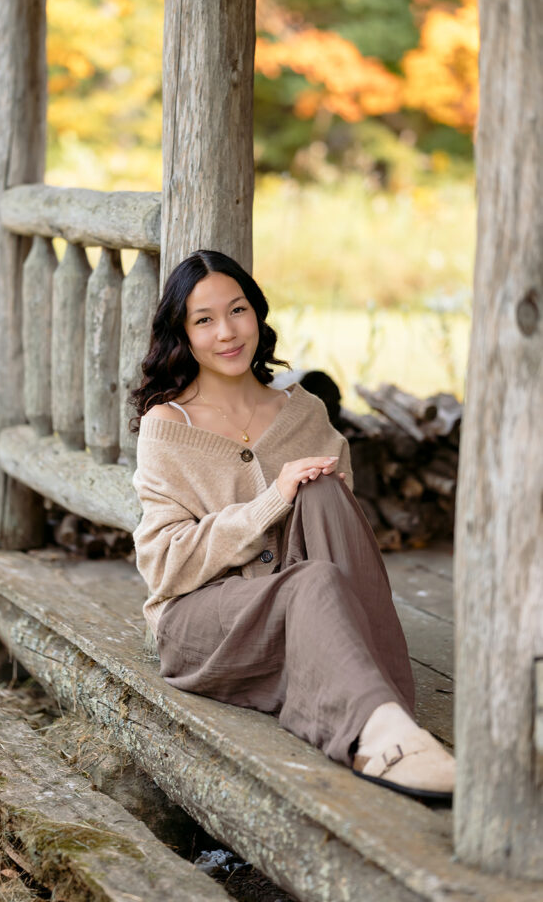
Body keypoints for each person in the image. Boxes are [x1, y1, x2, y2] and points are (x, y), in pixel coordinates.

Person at [129, 249, 455, 800]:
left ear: (257, 313)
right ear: (182, 334)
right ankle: (377, 734)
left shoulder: (303, 411)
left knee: (325, 493)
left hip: (305, 600)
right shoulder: (168, 425)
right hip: (203, 619)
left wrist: (303, 496)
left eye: (238, 311)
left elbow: (336, 533)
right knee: (313, 581)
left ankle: (382, 709)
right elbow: (164, 565)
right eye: (204, 320)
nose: (227, 332)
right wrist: (270, 501)